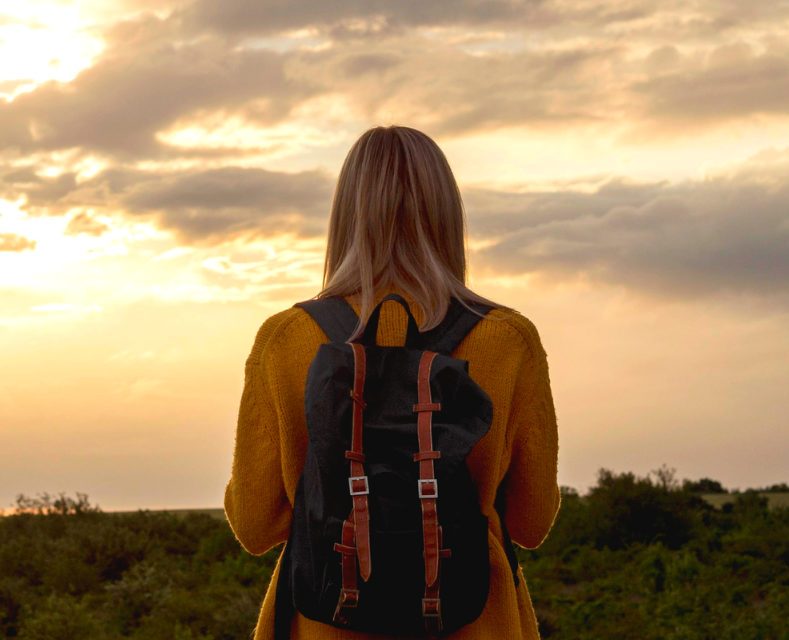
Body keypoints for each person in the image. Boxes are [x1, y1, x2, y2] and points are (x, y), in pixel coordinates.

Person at [224, 126, 560, 639]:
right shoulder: (508, 339)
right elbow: (532, 522)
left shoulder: (286, 339)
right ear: (448, 214)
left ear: (345, 218)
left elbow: (255, 525)